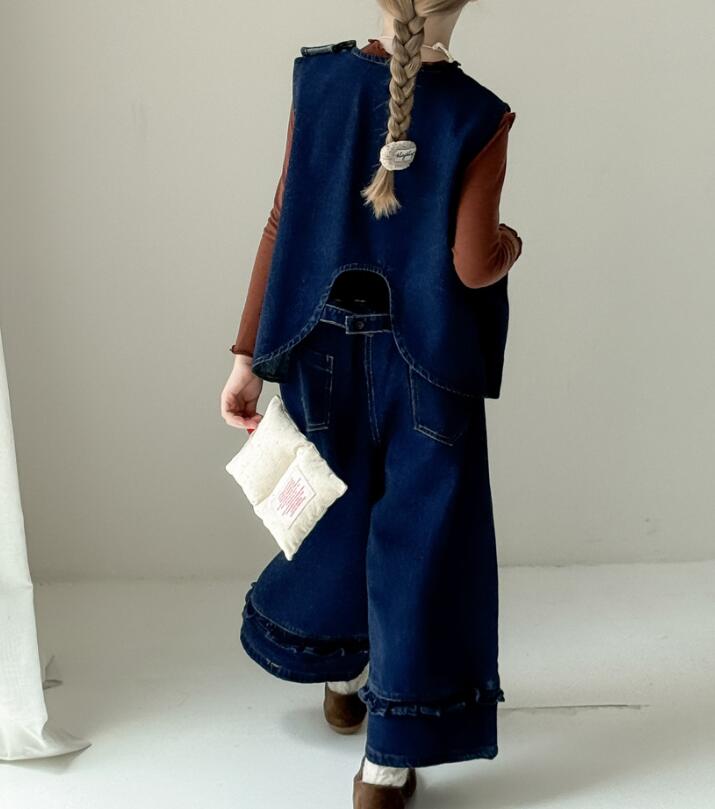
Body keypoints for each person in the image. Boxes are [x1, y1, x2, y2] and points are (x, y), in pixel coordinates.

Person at [220, 2, 523, 806]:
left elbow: (283, 221)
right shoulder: (479, 115)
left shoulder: (317, 81)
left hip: (318, 348)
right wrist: (512, 246)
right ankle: (385, 766)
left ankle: (343, 676)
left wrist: (246, 357)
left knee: (334, 512)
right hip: (427, 364)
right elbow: (471, 265)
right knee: (418, 546)